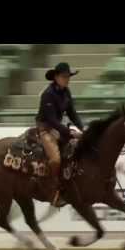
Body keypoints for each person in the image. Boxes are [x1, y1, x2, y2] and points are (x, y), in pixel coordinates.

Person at [35, 62, 84, 206]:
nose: (67, 79)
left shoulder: (66, 92)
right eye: (64, 76)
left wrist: (83, 128)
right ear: (56, 77)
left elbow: (72, 113)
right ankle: (52, 190)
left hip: (58, 127)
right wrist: (69, 132)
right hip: (46, 128)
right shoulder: (47, 94)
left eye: (68, 76)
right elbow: (51, 120)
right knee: (55, 159)